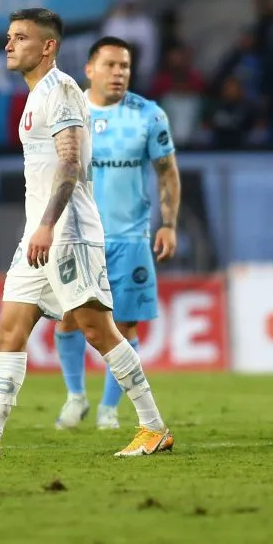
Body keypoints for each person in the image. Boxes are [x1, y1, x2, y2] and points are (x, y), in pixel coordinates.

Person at [0, 9, 173, 458]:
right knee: (10, 329)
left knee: (97, 330)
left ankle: (153, 427)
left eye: (20, 37)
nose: (9, 45)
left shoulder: (59, 90)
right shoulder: (36, 95)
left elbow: (71, 162)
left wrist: (46, 224)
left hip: (68, 231)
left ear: (48, 47)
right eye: (8, 37)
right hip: (40, 232)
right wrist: (38, 227)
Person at [53, 36, 180, 431]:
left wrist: (169, 224)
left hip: (130, 238)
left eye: (124, 66)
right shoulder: (69, 113)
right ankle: (75, 396)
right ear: (89, 69)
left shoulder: (149, 115)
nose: (119, 72)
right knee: (68, 320)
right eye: (110, 65)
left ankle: (109, 409)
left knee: (123, 326)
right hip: (77, 237)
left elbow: (167, 173)